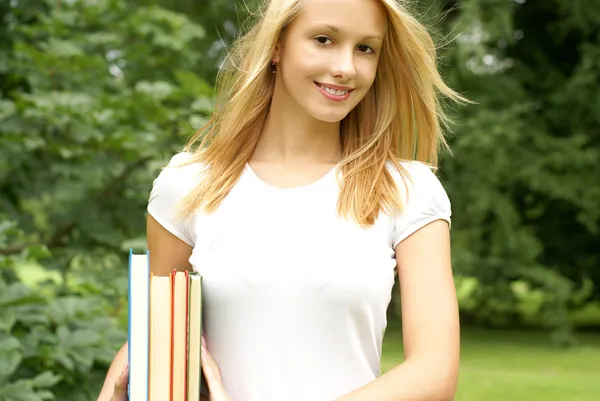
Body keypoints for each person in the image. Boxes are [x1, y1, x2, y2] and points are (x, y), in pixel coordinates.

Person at [98, 0, 465, 400]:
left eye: (366, 48)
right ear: (277, 46)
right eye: (324, 40)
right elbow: (154, 336)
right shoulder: (189, 185)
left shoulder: (407, 189)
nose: (346, 66)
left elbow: (434, 374)